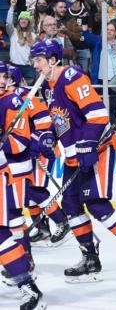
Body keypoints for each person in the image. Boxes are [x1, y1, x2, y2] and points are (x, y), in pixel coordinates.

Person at [31, 39, 116, 283]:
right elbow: (59, 123)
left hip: (96, 150)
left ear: (53, 59)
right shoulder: (48, 87)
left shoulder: (72, 77)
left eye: (39, 60)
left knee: (96, 204)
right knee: (71, 206)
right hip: (72, 156)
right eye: (33, 61)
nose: (35, 66)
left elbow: (97, 115)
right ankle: (89, 258)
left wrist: (87, 143)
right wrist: (46, 139)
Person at [5, 64, 70, 248]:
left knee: (35, 191)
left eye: (5, 77)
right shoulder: (7, 97)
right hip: (26, 153)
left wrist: (34, 141)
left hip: (41, 149)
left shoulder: (25, 95)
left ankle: (62, 220)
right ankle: (42, 228)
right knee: (28, 194)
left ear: (12, 79)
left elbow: (45, 121)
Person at [0, 79, 45, 307]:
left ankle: (26, 281)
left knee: (5, 229)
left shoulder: (8, 102)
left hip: (8, 171)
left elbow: (18, 142)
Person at [82, 22, 116, 88]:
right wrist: (85, 28)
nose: (109, 32)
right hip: (101, 80)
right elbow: (87, 37)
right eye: (107, 29)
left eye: (111, 30)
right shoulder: (99, 41)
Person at [6, 0, 37, 85]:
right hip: (14, 66)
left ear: (29, 22)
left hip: (28, 68)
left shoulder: (33, 35)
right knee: (14, 91)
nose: (23, 21)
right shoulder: (13, 32)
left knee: (27, 93)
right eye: (21, 19)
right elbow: (9, 22)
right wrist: (12, 7)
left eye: (26, 19)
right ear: (19, 21)